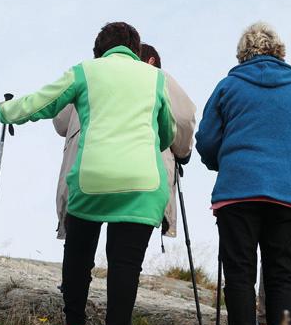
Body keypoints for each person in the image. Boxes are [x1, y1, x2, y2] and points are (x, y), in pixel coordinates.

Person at [0, 22, 175, 325]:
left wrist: (6, 111)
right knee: (125, 263)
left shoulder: (85, 72)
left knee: (78, 255)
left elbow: (41, 102)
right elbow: (168, 133)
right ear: (136, 51)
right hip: (143, 182)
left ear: (99, 51)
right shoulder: (156, 78)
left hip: (93, 179)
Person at [195, 22, 291, 325]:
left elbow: (207, 140)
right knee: (282, 274)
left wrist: (222, 163)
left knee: (239, 271)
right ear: (280, 51)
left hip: (237, 191)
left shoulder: (228, 86)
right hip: (288, 195)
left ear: (243, 53)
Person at [51, 43, 196, 241]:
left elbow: (60, 122)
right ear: (151, 61)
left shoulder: (90, 74)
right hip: (138, 177)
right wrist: (182, 151)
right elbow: (184, 118)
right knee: (125, 253)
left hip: (85, 170)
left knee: (80, 251)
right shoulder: (155, 76)